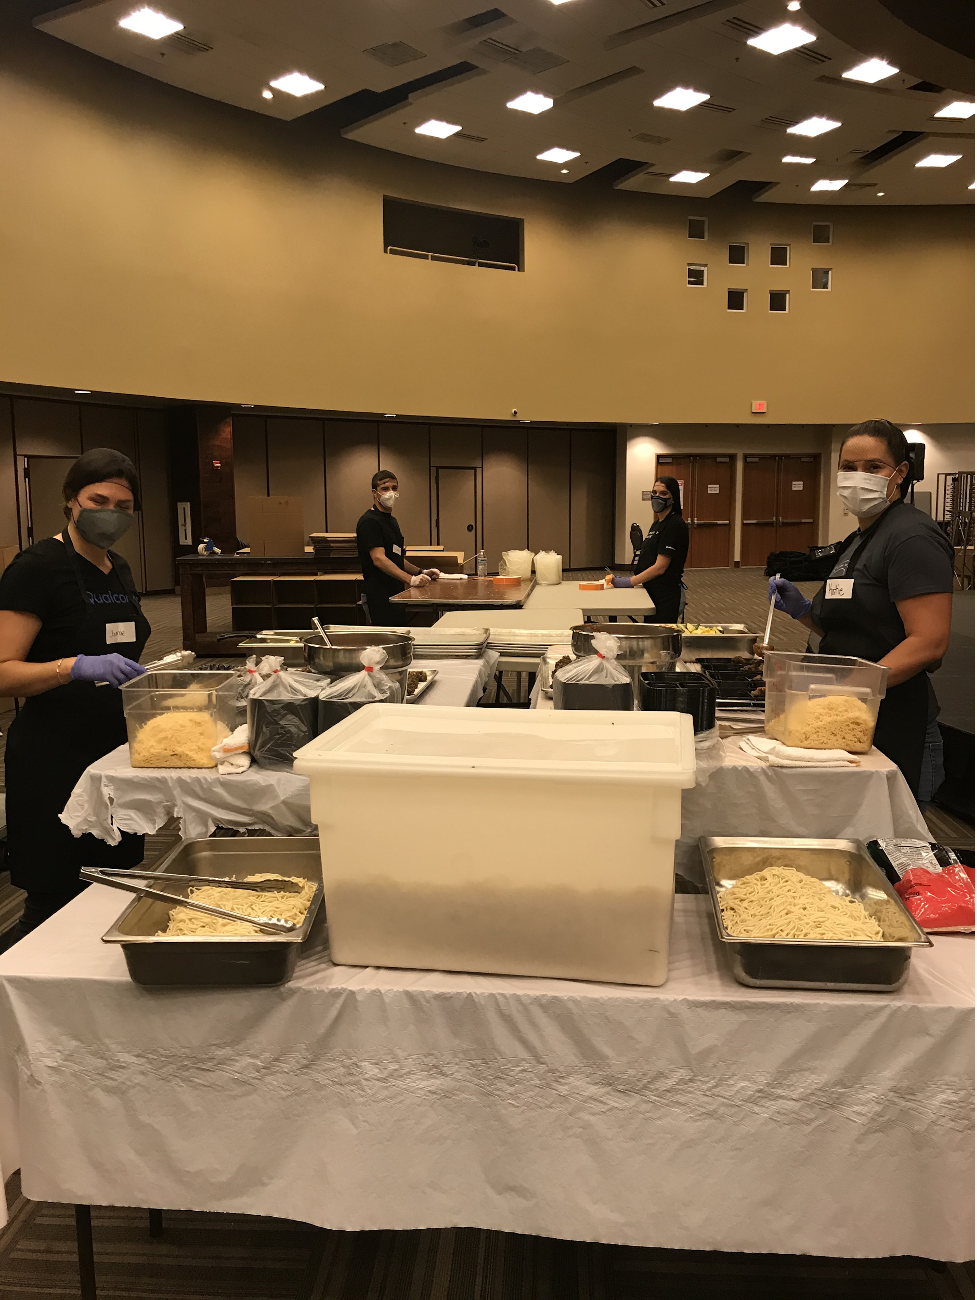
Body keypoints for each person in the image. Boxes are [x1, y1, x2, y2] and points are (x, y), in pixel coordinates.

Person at [0, 448, 151, 946]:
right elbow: (2, 672)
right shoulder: (38, 567)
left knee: (114, 887)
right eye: (98, 499)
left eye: (123, 506)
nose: (110, 513)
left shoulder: (119, 568)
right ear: (71, 501)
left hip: (115, 755)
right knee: (55, 899)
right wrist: (74, 667)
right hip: (55, 759)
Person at [767, 419, 953, 794]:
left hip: (895, 722)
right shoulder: (863, 537)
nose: (858, 477)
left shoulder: (910, 536)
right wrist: (803, 611)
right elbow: (859, 628)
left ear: (899, 474)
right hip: (852, 717)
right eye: (848, 468)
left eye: (873, 468)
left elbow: (929, 642)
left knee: (890, 845)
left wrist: (849, 688)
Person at [355, 470, 441, 625]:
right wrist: (411, 579)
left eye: (394, 488)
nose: (391, 493)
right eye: (385, 488)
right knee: (385, 640)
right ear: (375, 493)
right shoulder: (370, 522)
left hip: (395, 592)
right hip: (378, 594)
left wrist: (421, 572)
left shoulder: (392, 521)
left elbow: (396, 558)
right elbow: (379, 559)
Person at [610, 476, 689, 623]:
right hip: (651, 590)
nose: (657, 497)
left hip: (665, 594)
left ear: (673, 498)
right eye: (654, 492)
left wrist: (630, 581)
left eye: (663, 493)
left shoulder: (674, 524)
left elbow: (660, 567)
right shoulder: (658, 523)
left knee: (660, 641)